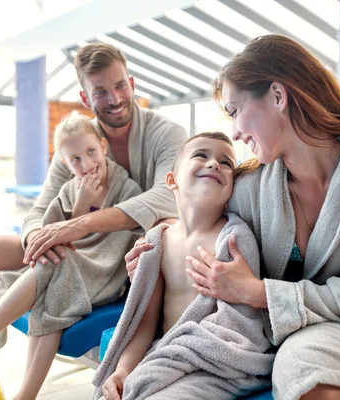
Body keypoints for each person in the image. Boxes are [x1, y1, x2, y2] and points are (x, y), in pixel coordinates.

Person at [125, 35, 340, 400]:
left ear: (277, 96)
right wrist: (152, 257)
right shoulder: (249, 189)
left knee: (307, 371)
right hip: (272, 331)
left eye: (235, 110)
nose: (235, 131)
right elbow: (198, 225)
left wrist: (257, 292)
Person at [0, 42, 187, 336]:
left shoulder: (168, 133)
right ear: (85, 97)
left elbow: (167, 195)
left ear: (131, 84)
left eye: (120, 86)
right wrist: (37, 240)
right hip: (77, 250)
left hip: (127, 257)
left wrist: (76, 226)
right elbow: (40, 208)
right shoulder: (77, 142)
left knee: (166, 229)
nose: (115, 98)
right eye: (100, 91)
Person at [0, 113, 142, 399]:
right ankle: (20, 392)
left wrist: (83, 219)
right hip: (68, 266)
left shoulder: (126, 187)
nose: (87, 164)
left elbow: (119, 240)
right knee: (45, 270)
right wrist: (80, 205)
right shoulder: (70, 189)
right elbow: (53, 231)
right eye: (76, 159)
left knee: (54, 265)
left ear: (103, 147)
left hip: (103, 272)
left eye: (91, 152)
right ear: (66, 163)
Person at [95, 132, 272, 400]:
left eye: (226, 163)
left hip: (216, 365)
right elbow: (144, 321)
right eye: (201, 155)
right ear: (171, 179)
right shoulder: (159, 241)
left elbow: (239, 323)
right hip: (168, 354)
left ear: (231, 188)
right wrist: (123, 369)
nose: (214, 164)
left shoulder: (233, 239)